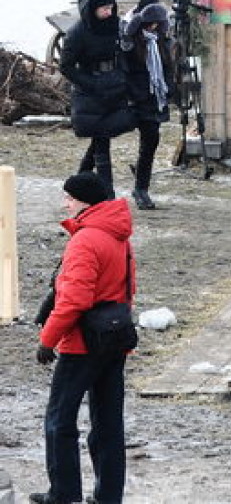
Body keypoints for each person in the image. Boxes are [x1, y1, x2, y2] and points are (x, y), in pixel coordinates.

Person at [32, 172, 135, 504]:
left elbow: (74, 300)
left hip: (82, 343)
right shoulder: (118, 235)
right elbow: (126, 288)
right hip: (114, 339)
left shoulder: (86, 240)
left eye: (69, 197)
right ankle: (108, 496)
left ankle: (62, 494)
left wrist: (48, 339)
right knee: (107, 423)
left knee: (60, 418)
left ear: (83, 201)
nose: (65, 203)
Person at [59, 0, 134, 195]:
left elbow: (126, 51)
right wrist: (91, 83)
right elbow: (66, 66)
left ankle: (79, 179)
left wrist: (123, 76)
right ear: (91, 8)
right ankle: (107, 192)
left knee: (103, 135)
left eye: (111, 7)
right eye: (104, 9)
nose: (109, 12)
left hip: (115, 86)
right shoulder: (77, 33)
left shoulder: (116, 25)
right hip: (90, 92)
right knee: (102, 140)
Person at [119, 0, 172, 210]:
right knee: (101, 138)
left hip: (152, 100)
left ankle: (141, 189)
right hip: (133, 99)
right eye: (150, 23)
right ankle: (87, 178)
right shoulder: (129, 39)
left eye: (157, 24)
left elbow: (167, 68)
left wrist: (168, 90)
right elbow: (124, 66)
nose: (153, 28)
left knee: (150, 144)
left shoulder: (161, 40)